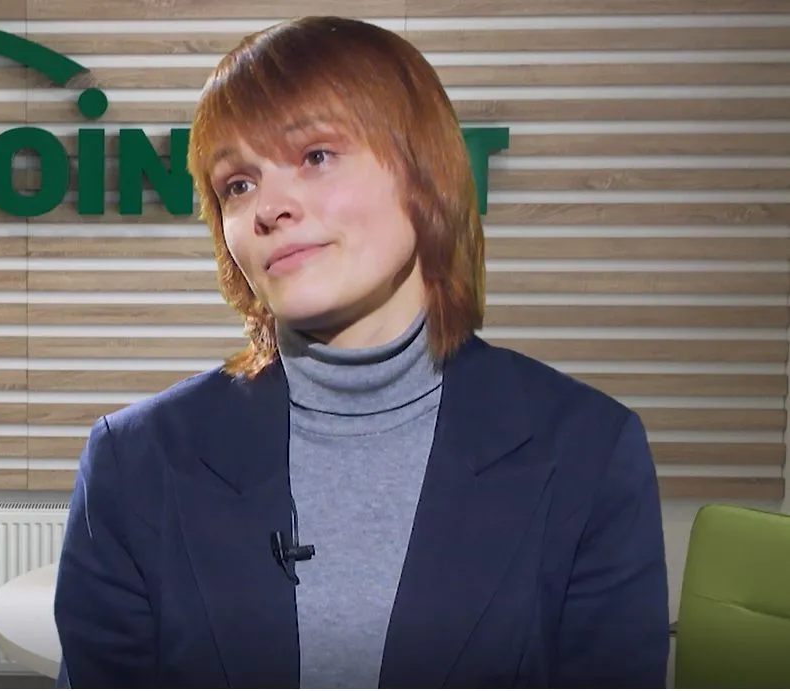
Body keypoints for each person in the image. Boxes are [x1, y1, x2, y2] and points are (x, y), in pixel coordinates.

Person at [51, 15, 670, 689]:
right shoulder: (133, 464)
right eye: (238, 184)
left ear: (423, 172)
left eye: (316, 156)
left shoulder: (590, 453)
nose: (269, 207)